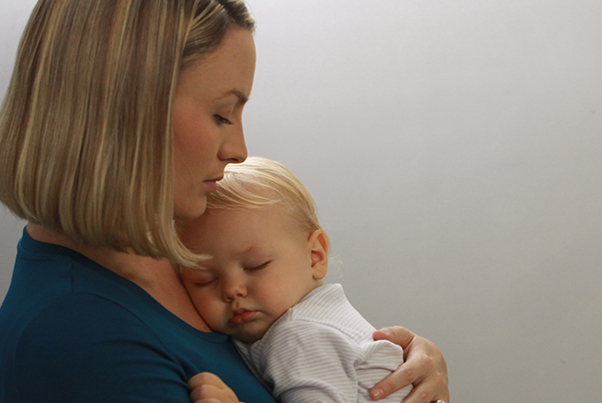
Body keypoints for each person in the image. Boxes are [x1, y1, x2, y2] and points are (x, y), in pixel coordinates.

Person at [0, 1, 449, 403]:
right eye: (221, 114)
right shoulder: (80, 338)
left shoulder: (181, 247)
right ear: (124, 109)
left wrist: (395, 368)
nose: (238, 150)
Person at [179, 157, 414, 402]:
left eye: (256, 265)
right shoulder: (320, 316)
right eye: (205, 280)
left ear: (314, 256)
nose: (232, 289)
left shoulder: (299, 335)